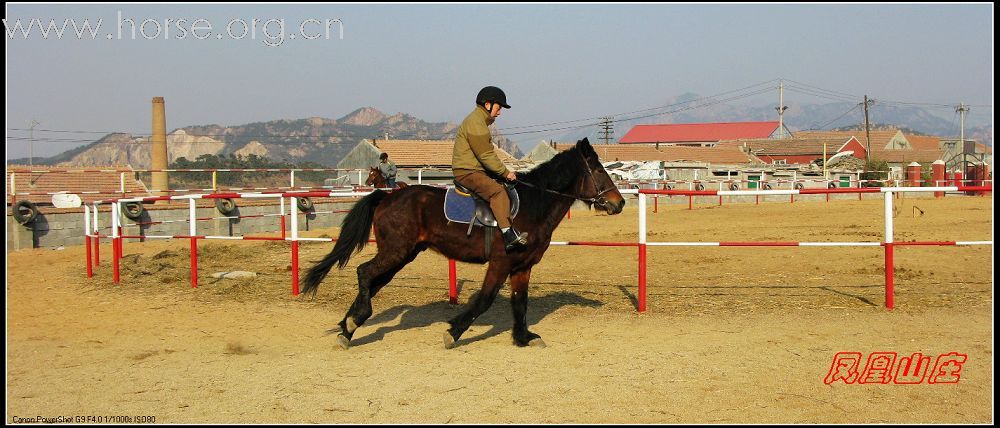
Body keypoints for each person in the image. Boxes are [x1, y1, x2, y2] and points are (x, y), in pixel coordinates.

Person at [452, 86, 528, 253]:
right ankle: (508, 235)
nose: (499, 112)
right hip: (468, 171)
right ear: (487, 104)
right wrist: (505, 172)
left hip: (473, 169)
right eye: (498, 107)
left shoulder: (479, 121)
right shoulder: (476, 123)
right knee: (498, 192)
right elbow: (486, 155)